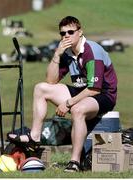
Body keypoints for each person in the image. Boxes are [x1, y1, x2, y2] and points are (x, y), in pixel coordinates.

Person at [8, 16, 117, 172]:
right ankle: (35, 137)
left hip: (103, 94)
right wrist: (57, 55)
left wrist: (68, 103)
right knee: (41, 88)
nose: (66, 36)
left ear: (80, 32)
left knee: (77, 109)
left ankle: (74, 162)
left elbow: (94, 89)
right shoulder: (67, 53)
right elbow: (50, 81)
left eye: (70, 32)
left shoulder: (91, 51)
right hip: (83, 91)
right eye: (63, 33)